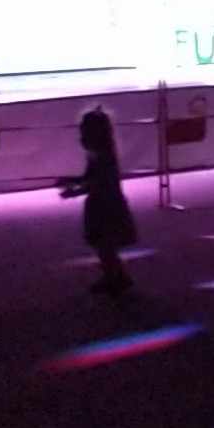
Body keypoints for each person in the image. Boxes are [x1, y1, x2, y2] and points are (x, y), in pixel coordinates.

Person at [60, 107, 138, 295]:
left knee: (105, 245)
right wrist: (72, 181)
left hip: (106, 206)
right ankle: (118, 276)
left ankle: (114, 278)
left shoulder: (103, 155)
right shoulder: (99, 153)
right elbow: (90, 177)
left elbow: (98, 182)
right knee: (105, 246)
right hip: (103, 203)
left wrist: (74, 192)